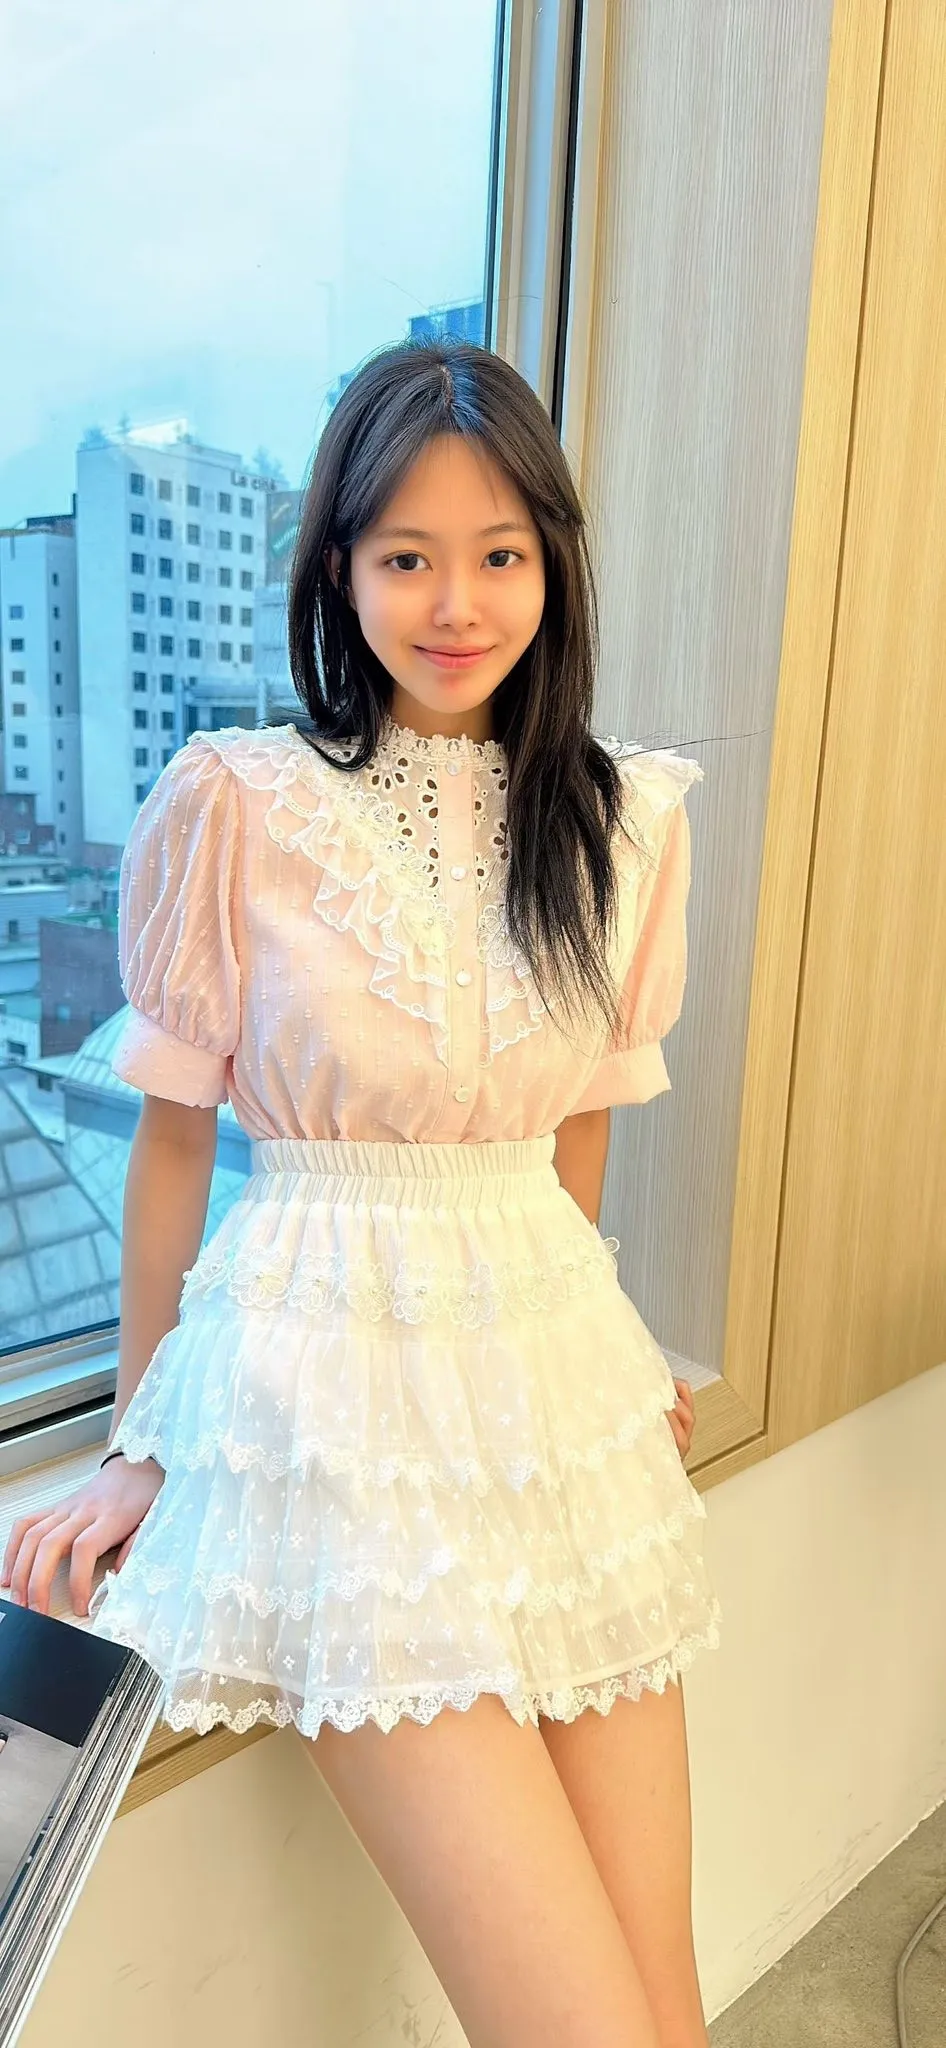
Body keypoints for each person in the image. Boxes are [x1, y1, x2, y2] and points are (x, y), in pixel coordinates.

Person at [2, 338, 721, 2046]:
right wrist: (143, 1438)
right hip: (327, 1420)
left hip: (551, 1403)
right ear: (337, 567)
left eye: (498, 554)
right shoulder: (239, 802)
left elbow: (577, 1138)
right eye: (405, 555)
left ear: (552, 564)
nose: (454, 602)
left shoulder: (626, 817)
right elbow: (174, 1143)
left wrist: (601, 1364)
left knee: (664, 2014)